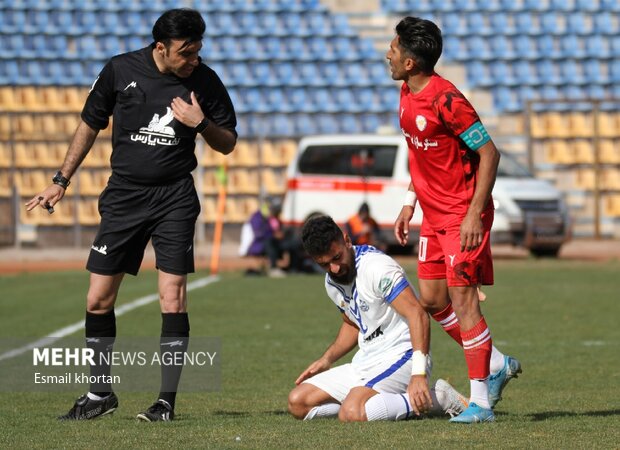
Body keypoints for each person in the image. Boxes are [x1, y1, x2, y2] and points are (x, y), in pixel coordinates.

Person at [25, 8, 237, 421]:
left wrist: (199, 123)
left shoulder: (205, 81)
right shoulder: (120, 70)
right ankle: (100, 393)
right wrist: (60, 180)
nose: (193, 60)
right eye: (186, 53)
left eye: (198, 52)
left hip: (174, 197)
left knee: (172, 298)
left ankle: (165, 404)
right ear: (161, 47)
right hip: (123, 198)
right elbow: (90, 123)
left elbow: (227, 142)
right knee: (98, 300)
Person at [387, 17, 521, 423]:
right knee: (430, 300)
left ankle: (480, 403)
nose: (387, 54)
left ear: (410, 62)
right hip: (431, 214)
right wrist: (410, 201)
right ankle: (495, 361)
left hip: (463, 216)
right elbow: (423, 155)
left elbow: (489, 154)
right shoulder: (407, 94)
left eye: (393, 49)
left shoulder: (447, 100)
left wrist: (474, 214)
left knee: (464, 303)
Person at [288, 215, 468, 422]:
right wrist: (326, 359)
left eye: (336, 258)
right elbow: (353, 323)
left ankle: (439, 398)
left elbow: (417, 313)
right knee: (298, 402)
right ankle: (366, 402)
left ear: (347, 241)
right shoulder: (332, 282)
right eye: (325, 264)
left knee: (352, 413)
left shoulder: (377, 268)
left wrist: (418, 373)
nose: (334, 269)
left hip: (403, 356)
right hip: (366, 362)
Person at [243, 197, 302, 277]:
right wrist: (273, 234)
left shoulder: (274, 218)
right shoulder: (257, 217)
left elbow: (279, 230)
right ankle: (273, 269)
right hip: (261, 244)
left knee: (294, 242)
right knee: (269, 241)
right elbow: (259, 234)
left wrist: (283, 233)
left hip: (276, 242)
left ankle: (293, 268)